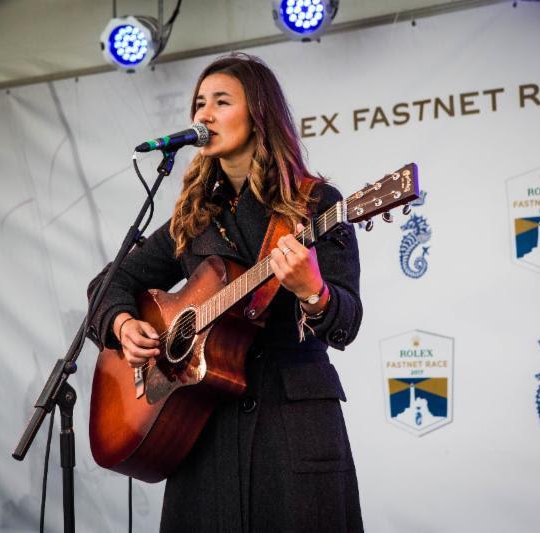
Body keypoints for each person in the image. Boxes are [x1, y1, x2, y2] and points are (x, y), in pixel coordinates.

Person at [88, 53, 363, 532]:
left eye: (221, 102)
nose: (203, 115)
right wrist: (122, 323)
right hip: (203, 431)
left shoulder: (314, 204)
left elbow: (347, 321)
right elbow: (109, 285)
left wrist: (312, 291)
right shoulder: (193, 220)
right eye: (199, 103)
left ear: (258, 114)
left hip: (291, 430)